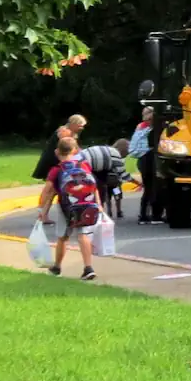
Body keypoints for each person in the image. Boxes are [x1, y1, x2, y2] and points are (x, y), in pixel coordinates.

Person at [37, 137, 102, 280]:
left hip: (66, 207)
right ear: (75, 150)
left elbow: (48, 191)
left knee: (63, 237)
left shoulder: (56, 170)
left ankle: (57, 267)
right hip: (85, 204)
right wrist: (99, 204)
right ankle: (88, 267)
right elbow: (93, 186)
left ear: (56, 151)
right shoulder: (84, 165)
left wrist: (42, 210)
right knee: (83, 235)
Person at [32, 114, 87, 224]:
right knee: (50, 190)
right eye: (80, 126)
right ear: (73, 124)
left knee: (52, 191)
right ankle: (41, 215)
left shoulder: (71, 133)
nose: (82, 128)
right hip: (53, 163)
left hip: (58, 162)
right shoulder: (64, 132)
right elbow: (69, 147)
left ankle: (43, 216)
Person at [80, 139, 142, 217]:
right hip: (115, 185)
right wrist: (139, 183)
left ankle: (107, 211)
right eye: (127, 152)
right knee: (116, 196)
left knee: (106, 197)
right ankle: (114, 211)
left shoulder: (108, 152)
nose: (127, 155)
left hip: (106, 183)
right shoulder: (115, 155)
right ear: (124, 150)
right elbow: (124, 175)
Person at [129, 107, 163, 225]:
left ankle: (143, 216)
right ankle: (156, 216)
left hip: (142, 159)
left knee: (147, 188)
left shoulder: (140, 127)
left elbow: (134, 147)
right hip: (152, 157)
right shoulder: (154, 128)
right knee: (156, 187)